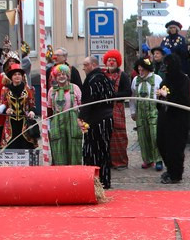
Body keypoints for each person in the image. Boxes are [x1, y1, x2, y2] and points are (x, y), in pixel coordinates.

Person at [78, 55, 115, 188]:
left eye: (85, 65)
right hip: (107, 119)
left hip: (97, 121)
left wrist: (81, 118)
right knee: (104, 151)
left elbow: (89, 101)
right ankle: (104, 181)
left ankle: (95, 181)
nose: (83, 68)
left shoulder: (93, 80)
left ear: (93, 65)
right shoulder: (105, 77)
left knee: (93, 151)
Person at [156, 50, 190, 184]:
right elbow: (159, 102)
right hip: (165, 119)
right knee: (162, 143)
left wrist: (167, 96)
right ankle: (170, 169)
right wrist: (159, 96)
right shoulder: (165, 80)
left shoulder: (183, 79)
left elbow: (184, 101)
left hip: (178, 120)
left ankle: (175, 174)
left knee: (175, 147)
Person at [100, 50, 132, 168]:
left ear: (117, 62)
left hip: (117, 109)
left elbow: (127, 92)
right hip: (104, 109)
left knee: (119, 136)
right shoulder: (102, 75)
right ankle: (108, 161)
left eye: (113, 60)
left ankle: (121, 162)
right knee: (105, 135)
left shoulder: (123, 75)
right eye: (109, 60)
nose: (111, 62)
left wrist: (113, 96)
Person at [48, 64, 84, 167]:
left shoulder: (75, 88)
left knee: (74, 147)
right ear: (55, 77)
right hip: (57, 121)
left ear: (68, 76)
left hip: (73, 121)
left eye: (64, 74)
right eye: (58, 75)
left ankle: (75, 172)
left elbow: (82, 106)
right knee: (59, 147)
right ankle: (60, 173)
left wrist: (82, 123)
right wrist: (49, 125)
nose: (61, 76)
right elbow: (50, 109)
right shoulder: (52, 90)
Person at [0, 61, 37, 150]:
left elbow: (33, 105)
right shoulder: (5, 90)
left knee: (25, 147)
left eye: (19, 74)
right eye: (15, 74)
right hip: (11, 124)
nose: (17, 76)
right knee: (12, 147)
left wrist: (31, 111)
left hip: (24, 123)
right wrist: (6, 110)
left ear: (22, 76)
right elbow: (2, 105)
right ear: (11, 77)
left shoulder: (28, 89)